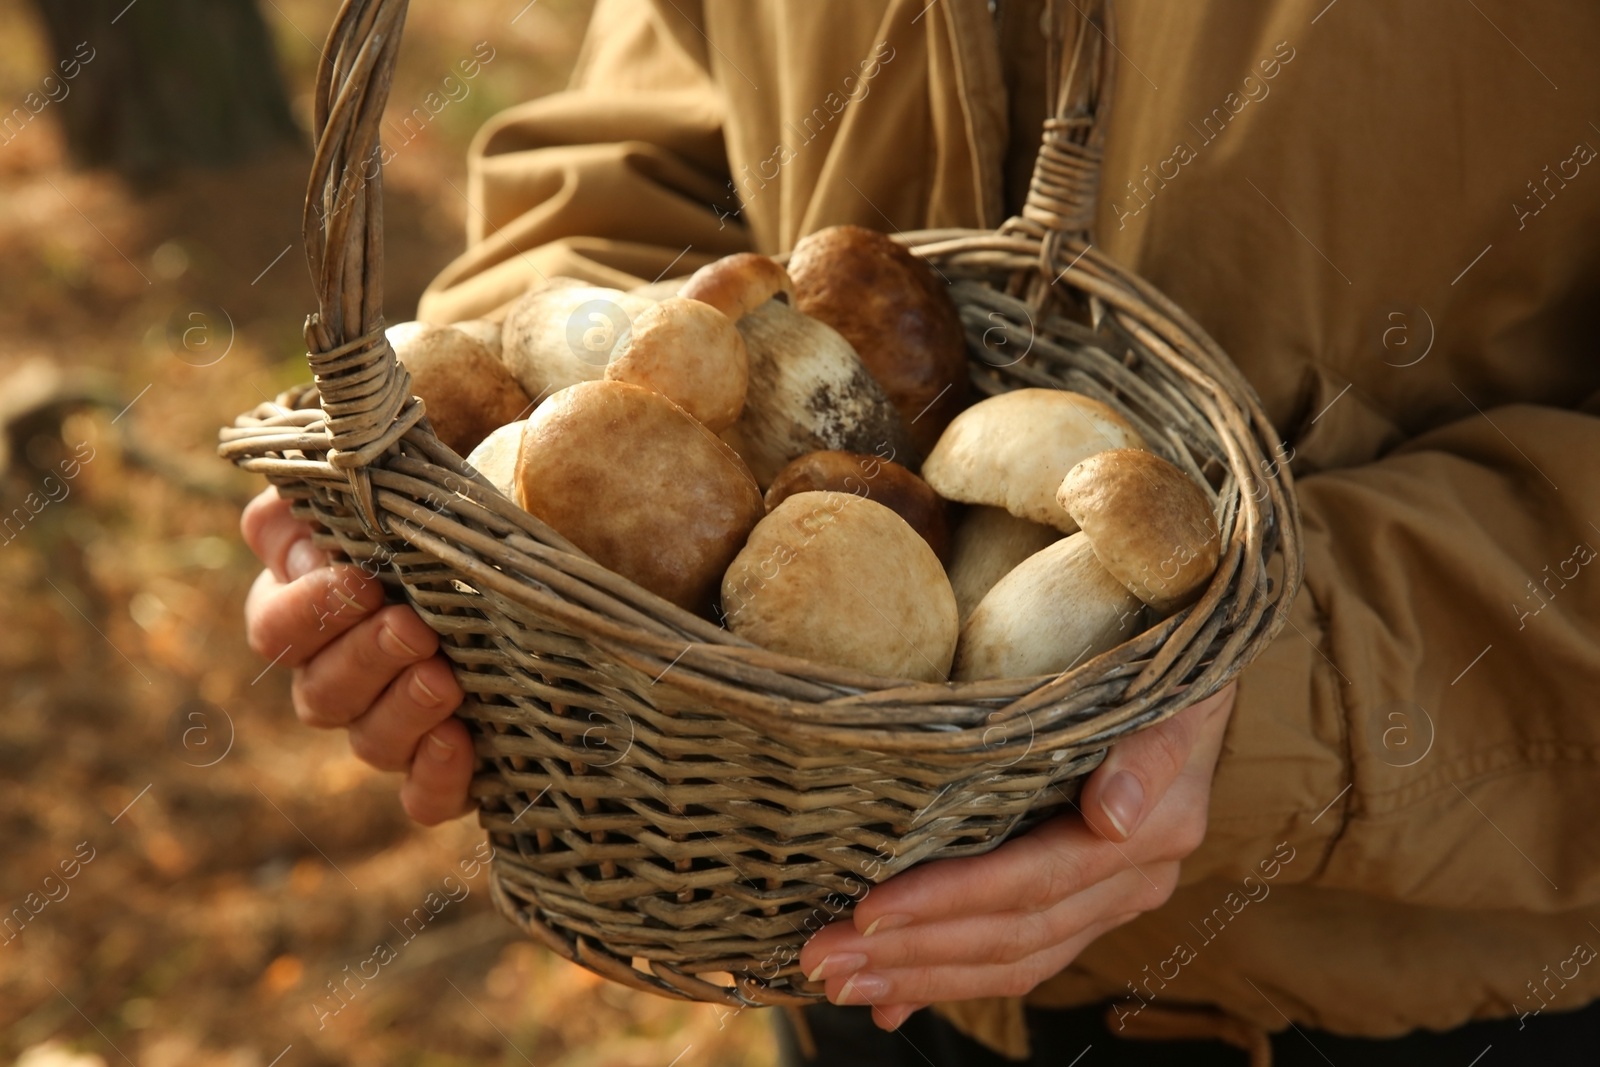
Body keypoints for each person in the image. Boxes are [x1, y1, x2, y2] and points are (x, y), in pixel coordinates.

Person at [241, 0, 1600, 1062]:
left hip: (1410, 979)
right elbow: (640, 145)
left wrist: (1266, 674)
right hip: (835, 936)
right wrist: (462, 527)